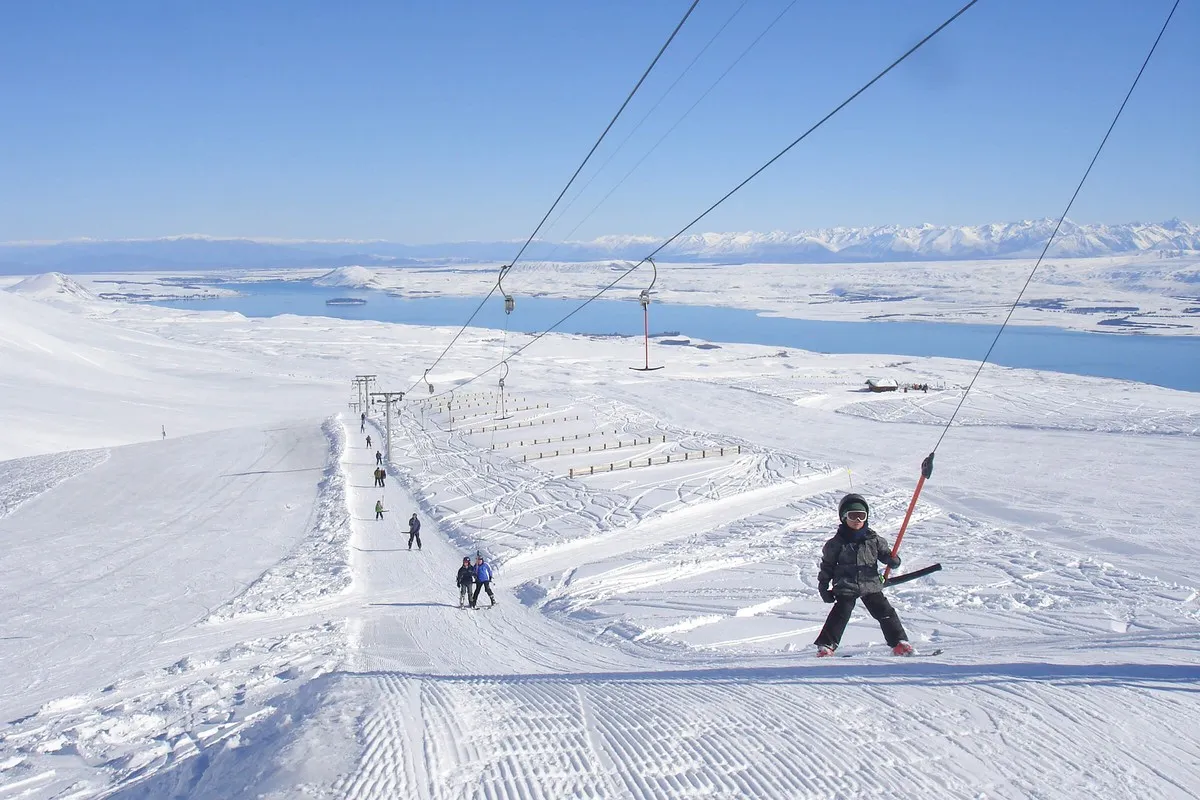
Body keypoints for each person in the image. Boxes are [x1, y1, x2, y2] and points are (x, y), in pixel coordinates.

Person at [814, 493, 913, 656]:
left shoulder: (874, 539)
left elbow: (886, 555)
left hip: (870, 584)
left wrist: (893, 560)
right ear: (844, 517)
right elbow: (827, 567)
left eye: (861, 516)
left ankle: (899, 642)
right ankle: (826, 645)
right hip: (846, 585)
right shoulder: (835, 544)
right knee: (841, 613)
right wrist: (823, 587)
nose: (857, 520)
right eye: (853, 516)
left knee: (885, 611)